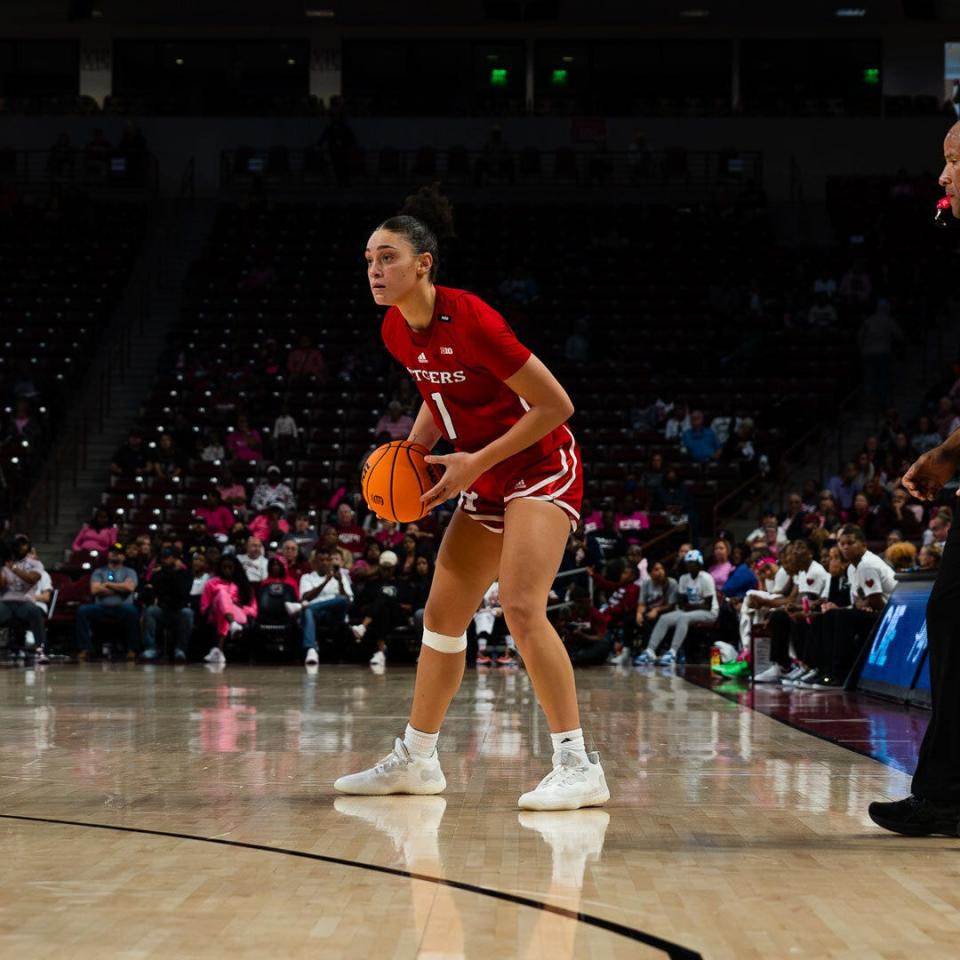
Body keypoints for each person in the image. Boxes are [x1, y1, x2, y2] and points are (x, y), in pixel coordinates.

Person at [335, 190, 609, 811]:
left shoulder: (475, 319)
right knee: (442, 617)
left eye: (388, 258)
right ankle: (418, 757)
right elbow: (438, 398)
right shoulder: (395, 330)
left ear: (424, 264)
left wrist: (473, 464)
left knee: (519, 605)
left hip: (540, 464)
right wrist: (413, 461)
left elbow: (556, 406)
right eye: (368, 260)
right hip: (478, 472)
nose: (375, 271)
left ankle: (577, 763)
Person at [635, 549, 718, 665]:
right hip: (688, 610)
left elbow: (707, 606)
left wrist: (688, 607)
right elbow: (682, 603)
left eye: (692, 562)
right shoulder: (684, 578)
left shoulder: (706, 578)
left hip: (709, 613)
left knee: (684, 618)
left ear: (699, 563)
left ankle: (673, 653)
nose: (689, 565)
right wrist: (688, 607)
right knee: (664, 618)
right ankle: (650, 651)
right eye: (688, 562)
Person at [75, 544, 140, 662]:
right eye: (112, 551)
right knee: (82, 610)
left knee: (133, 612)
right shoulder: (99, 572)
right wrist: (120, 589)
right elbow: (95, 590)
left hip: (123, 607)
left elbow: (130, 588)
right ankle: (85, 648)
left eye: (119, 552)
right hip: (101, 607)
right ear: (108, 555)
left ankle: (132, 649)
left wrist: (107, 584)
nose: (115, 554)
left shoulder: (130, 572)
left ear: (124, 557)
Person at [298, 549, 354, 665]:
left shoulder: (341, 577)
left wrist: (340, 583)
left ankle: (311, 607)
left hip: (334, 615)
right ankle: (311, 649)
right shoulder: (307, 577)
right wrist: (325, 582)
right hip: (316, 616)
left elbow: (348, 602)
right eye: (321, 560)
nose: (325, 563)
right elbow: (306, 598)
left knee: (341, 600)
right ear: (314, 563)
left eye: (328, 560)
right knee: (308, 611)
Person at [199, 555, 257, 666]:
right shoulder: (211, 583)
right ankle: (232, 625)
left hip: (239, 614)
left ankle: (219, 651)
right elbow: (203, 608)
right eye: (224, 567)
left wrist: (240, 606)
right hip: (214, 614)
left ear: (235, 568)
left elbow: (254, 610)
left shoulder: (244, 585)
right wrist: (217, 604)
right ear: (220, 568)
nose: (227, 570)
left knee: (224, 609)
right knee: (222, 595)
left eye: (230, 567)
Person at [0, 535, 47, 660]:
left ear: (29, 546)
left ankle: (40, 650)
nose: (21, 546)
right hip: (6, 602)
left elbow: (32, 579)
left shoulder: (35, 563)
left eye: (24, 544)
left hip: (25, 601)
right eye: (18, 544)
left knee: (35, 612)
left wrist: (14, 568)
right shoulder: (5, 563)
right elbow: (2, 585)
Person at [142, 547, 193, 662]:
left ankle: (180, 650)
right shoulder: (157, 575)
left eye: (167, 558)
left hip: (179, 610)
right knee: (150, 611)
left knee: (187, 613)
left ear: (175, 559)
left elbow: (182, 592)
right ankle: (152, 648)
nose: (164, 560)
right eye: (162, 558)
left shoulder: (185, 574)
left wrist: (174, 574)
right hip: (163, 610)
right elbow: (154, 592)